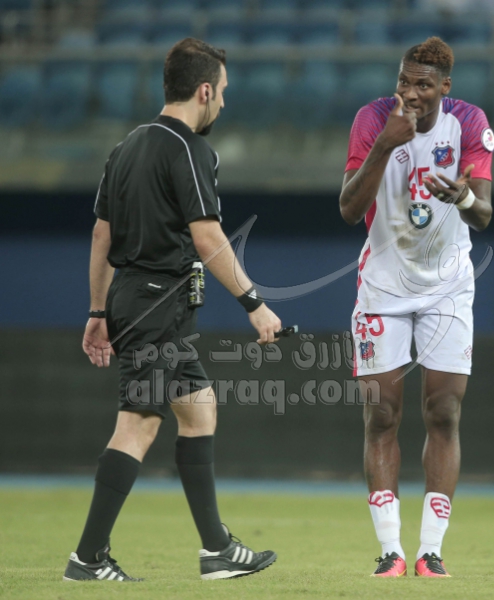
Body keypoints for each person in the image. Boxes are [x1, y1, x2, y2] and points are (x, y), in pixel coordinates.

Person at [63, 38, 282, 582]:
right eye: (223, 91)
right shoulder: (191, 150)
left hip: (137, 299)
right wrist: (254, 303)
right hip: (157, 304)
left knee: (199, 408)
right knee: (138, 423)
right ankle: (87, 558)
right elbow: (207, 236)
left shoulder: (126, 147)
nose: (224, 102)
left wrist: (98, 312)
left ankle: (217, 550)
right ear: (204, 90)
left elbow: (101, 235)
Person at [339, 37, 494, 578]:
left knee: (443, 412)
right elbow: (348, 208)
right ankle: (390, 550)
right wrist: (384, 145)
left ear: (444, 87)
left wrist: (463, 197)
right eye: (403, 80)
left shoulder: (468, 123)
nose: (409, 92)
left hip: (447, 288)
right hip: (383, 286)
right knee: (382, 414)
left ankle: (431, 550)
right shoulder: (372, 120)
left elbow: (484, 214)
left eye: (423, 84)